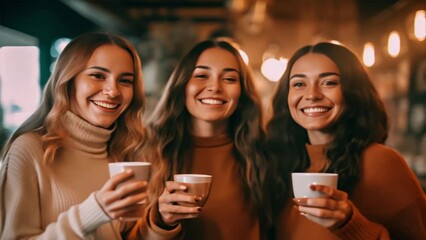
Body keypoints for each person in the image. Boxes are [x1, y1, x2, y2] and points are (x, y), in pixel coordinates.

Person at [265, 42, 426, 239]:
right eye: (299, 84)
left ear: (353, 92)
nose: (312, 95)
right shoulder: (280, 163)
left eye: (329, 82)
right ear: (286, 96)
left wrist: (349, 223)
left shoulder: (381, 162)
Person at [0, 32, 149, 239]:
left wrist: (162, 222)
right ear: (68, 80)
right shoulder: (30, 148)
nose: (113, 91)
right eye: (98, 75)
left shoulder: (125, 150)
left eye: (125, 81)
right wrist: (92, 213)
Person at [128, 39, 269, 240]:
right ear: (183, 84)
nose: (215, 87)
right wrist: (161, 222)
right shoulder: (145, 151)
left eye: (229, 79)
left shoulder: (261, 154)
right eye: (202, 75)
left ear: (243, 92)